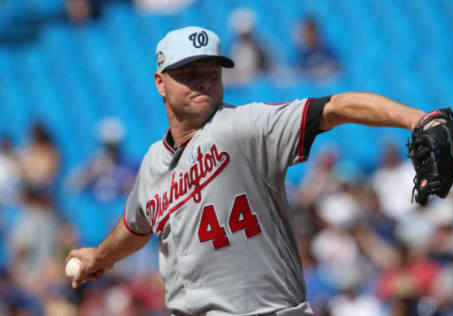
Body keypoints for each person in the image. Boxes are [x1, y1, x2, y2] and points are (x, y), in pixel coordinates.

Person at [67, 26, 426, 315]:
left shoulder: (243, 125)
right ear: (160, 82)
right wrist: (98, 257)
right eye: (189, 73)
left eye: (211, 71)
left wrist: (417, 120)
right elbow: (136, 226)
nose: (204, 81)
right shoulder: (151, 164)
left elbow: (337, 107)